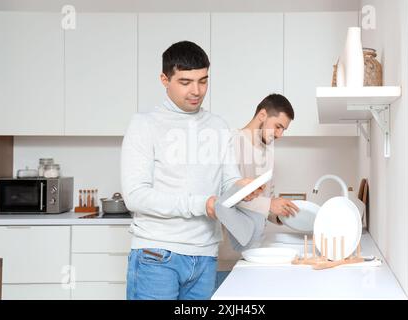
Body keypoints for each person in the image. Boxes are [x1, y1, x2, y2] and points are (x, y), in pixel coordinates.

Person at [121, 40, 261, 300]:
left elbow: (227, 182)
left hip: (205, 256)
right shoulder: (145, 125)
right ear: (165, 79)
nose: (197, 91)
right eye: (185, 82)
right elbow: (135, 196)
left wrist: (243, 188)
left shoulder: (218, 126)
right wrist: (203, 204)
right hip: (157, 256)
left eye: (203, 81)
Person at [217, 93, 300, 274]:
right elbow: (225, 198)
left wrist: (279, 214)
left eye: (283, 130)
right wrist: (270, 204)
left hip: (253, 254)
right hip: (227, 258)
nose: (280, 134)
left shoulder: (268, 151)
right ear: (262, 115)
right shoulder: (232, 142)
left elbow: (264, 202)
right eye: (278, 127)